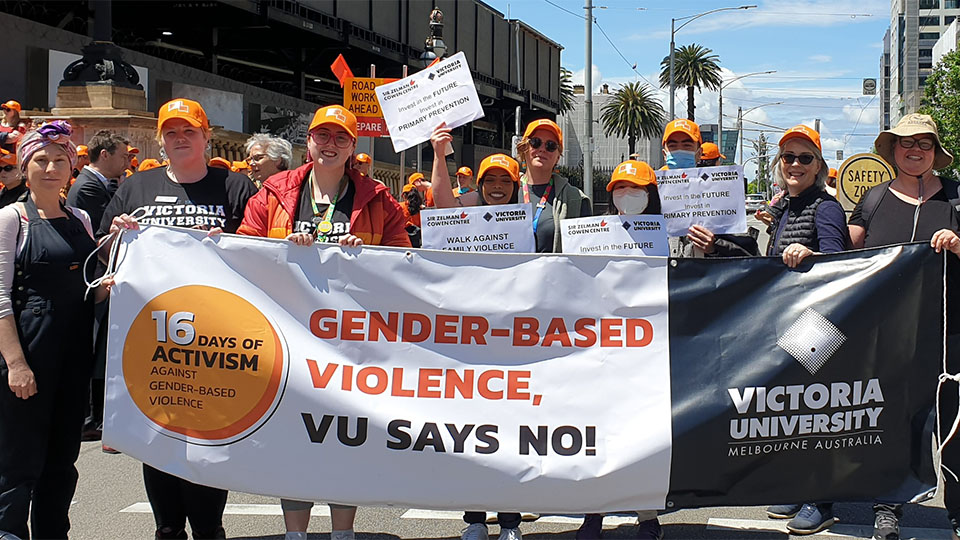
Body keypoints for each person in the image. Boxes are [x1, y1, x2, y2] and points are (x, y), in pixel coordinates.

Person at [237, 104, 410, 540]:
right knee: (292, 436)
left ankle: (343, 532)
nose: (330, 145)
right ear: (308, 142)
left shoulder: (376, 197)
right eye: (323, 136)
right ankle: (296, 533)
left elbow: (404, 261)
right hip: (288, 338)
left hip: (350, 344)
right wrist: (283, 248)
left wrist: (366, 254)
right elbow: (242, 250)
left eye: (341, 138)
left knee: (343, 436)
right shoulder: (274, 191)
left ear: (352, 147)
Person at [101, 98, 258, 540]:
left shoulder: (234, 188)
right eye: (172, 131)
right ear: (161, 139)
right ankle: (166, 528)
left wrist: (229, 244)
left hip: (216, 338)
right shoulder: (136, 188)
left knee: (211, 432)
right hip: (154, 338)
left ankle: (210, 528)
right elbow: (103, 252)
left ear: (207, 137)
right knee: (160, 432)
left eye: (189, 130)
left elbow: (263, 251)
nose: (180, 138)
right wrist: (116, 241)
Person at [846, 113, 960, 540]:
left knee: (954, 426)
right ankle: (887, 507)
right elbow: (842, 255)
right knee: (892, 422)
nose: (916, 150)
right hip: (888, 333)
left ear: (935, 152)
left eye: (925, 144)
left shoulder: (955, 197)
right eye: (906, 143)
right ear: (892, 150)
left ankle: (958, 511)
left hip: (951, 332)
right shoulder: (874, 200)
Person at [0, 121, 111, 539]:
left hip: (72, 354)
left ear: (72, 168)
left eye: (59, 161)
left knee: (61, 460)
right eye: (41, 160)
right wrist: (15, 363)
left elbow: (87, 292)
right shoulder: (11, 219)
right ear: (25, 166)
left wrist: (106, 285)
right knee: (17, 460)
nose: (50, 168)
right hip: (29, 350)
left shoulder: (80, 217)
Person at [66, 130, 129, 446]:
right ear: (104, 155)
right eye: (122, 155)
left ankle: (95, 415)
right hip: (95, 277)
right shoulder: (90, 188)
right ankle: (92, 416)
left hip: (100, 278)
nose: (127, 161)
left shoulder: (100, 185)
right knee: (97, 345)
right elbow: (99, 237)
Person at [661, 119, 759, 258]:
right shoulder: (651, 193)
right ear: (665, 154)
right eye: (673, 145)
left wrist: (715, 246)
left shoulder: (722, 196)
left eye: (687, 145)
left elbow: (747, 252)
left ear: (699, 153)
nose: (680, 150)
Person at [765, 125, 848, 268]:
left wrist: (810, 255)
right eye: (788, 157)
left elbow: (837, 263)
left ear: (818, 166)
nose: (795, 164)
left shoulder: (827, 208)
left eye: (805, 158)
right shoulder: (784, 207)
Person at [515, 119, 591, 252]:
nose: (542, 149)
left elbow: (585, 250)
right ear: (524, 148)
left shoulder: (576, 199)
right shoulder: (509, 190)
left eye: (550, 146)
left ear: (558, 156)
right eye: (535, 142)